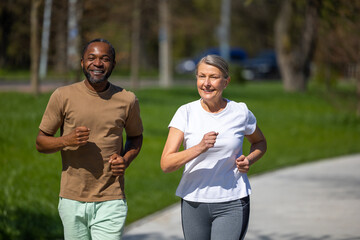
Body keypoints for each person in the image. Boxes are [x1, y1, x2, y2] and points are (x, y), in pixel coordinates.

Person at [36, 38, 143, 240]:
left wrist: (126, 160)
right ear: (82, 63)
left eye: (105, 59)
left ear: (113, 64)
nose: (98, 63)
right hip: (71, 198)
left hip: (111, 198)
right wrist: (66, 140)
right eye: (91, 58)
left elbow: (136, 137)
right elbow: (41, 142)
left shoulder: (127, 99)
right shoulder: (62, 96)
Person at [161, 55, 267, 240]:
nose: (206, 83)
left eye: (214, 77)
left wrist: (248, 160)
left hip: (232, 201)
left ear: (226, 82)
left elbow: (260, 142)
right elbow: (166, 164)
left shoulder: (240, 112)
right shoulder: (185, 113)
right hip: (193, 201)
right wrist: (199, 147)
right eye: (202, 76)